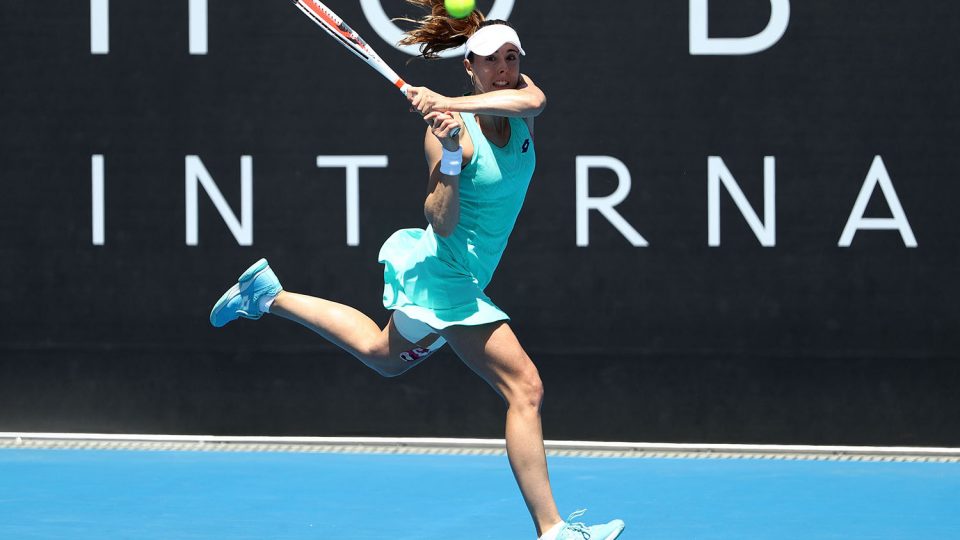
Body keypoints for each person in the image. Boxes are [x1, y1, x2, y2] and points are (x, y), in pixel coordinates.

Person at [210, 2, 625, 538]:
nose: (503, 67)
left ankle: (267, 295)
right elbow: (441, 219)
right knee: (525, 388)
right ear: (469, 66)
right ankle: (554, 531)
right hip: (444, 274)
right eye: (490, 60)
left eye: (510, 57)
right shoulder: (450, 132)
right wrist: (452, 152)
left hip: (465, 277)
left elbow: (535, 100)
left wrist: (445, 99)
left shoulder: (519, 99)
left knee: (385, 357)